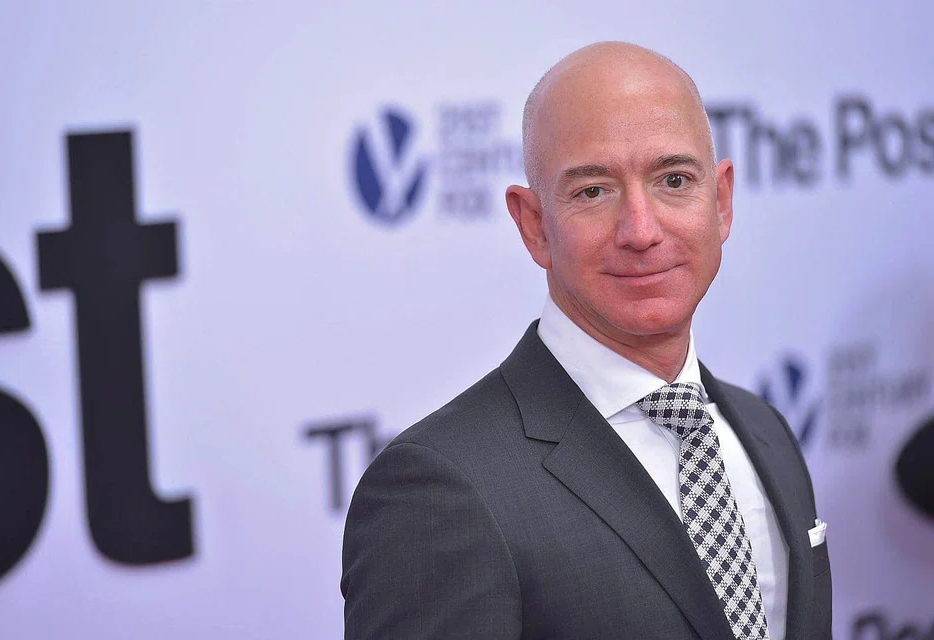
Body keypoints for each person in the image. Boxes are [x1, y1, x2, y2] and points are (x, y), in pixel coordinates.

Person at [341, 42, 832, 639]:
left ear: (721, 202)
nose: (641, 231)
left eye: (674, 180)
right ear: (534, 226)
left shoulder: (764, 430)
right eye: (593, 191)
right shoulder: (440, 490)